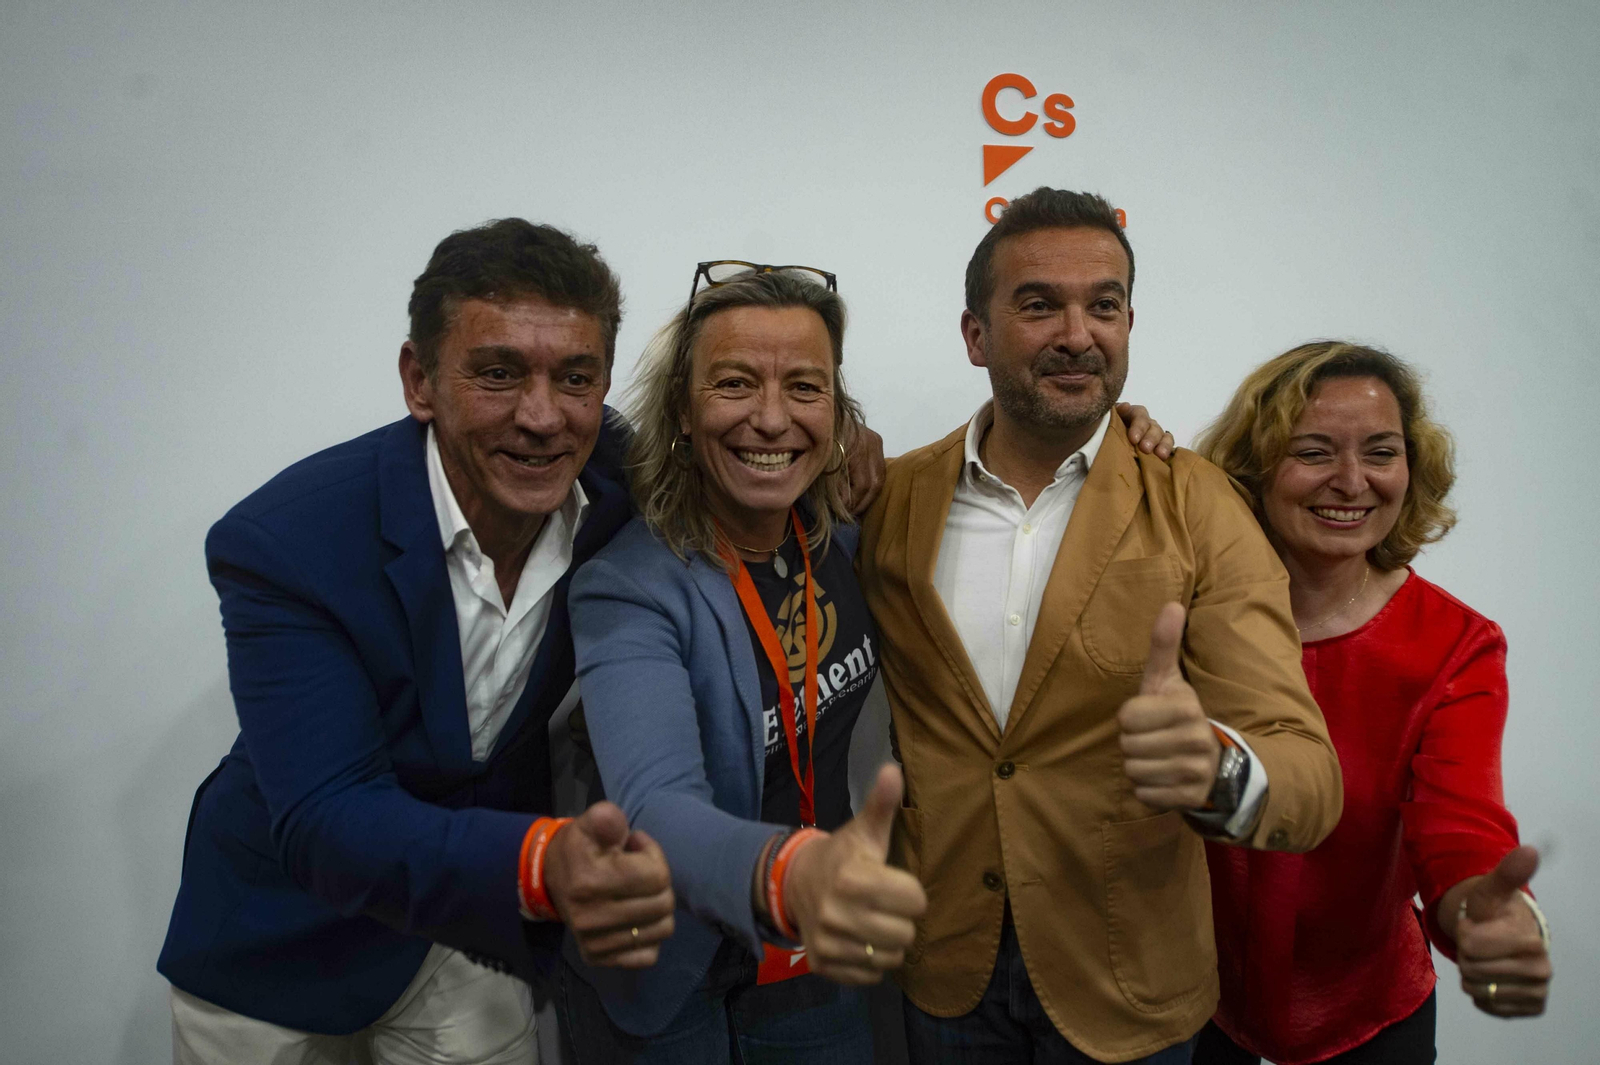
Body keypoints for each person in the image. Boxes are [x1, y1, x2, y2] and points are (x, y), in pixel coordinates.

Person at [557, 262, 1176, 1062]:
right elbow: (656, 805)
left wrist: (1112, 430)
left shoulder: (850, 533)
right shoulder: (630, 586)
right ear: (682, 408)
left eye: (806, 388)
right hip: (673, 963)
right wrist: (792, 872)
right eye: (736, 384)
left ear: (839, 410)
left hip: (818, 961)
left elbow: (1012, 470)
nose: (772, 419)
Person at [157, 219, 677, 1064]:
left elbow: (738, 455)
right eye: (499, 372)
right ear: (419, 379)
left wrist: (843, 450)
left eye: (575, 377)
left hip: (466, 931)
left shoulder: (615, 477)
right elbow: (328, 814)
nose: (543, 417)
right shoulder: (288, 540)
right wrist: (545, 859)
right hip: (281, 933)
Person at [856, 187, 1346, 1064]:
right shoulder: (889, 499)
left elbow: (1306, 769)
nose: (1077, 333)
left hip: (1131, 982)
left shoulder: (1197, 504)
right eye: (1039, 304)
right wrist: (833, 443)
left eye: (1104, 305)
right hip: (944, 967)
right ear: (975, 336)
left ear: (1129, 324)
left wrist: (1219, 768)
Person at [1191, 342, 1554, 1065]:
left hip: (1370, 1016)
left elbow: (1460, 825)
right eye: (1314, 451)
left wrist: (1486, 907)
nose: (1351, 481)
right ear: (1256, 468)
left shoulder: (1457, 644)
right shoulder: (1189, 612)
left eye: (1380, 452)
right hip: (1191, 1005)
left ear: (1411, 470)